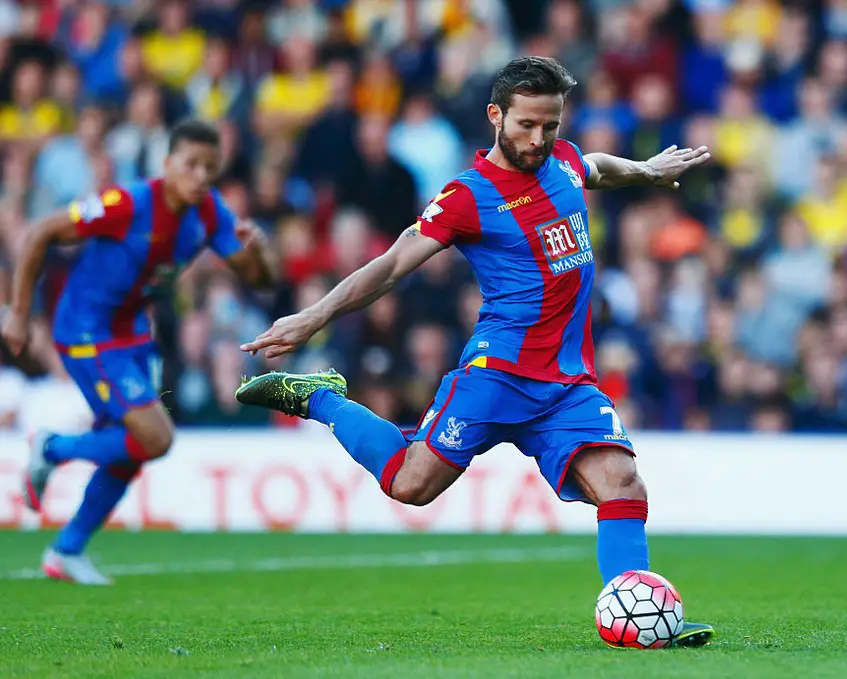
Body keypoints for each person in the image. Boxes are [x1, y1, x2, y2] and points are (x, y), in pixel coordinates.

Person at [236, 57, 714, 646]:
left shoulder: (562, 160)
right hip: (496, 377)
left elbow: (595, 167)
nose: (538, 139)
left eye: (550, 125)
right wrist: (313, 318)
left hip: (566, 383)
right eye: (526, 125)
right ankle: (320, 398)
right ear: (496, 116)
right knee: (410, 485)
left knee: (623, 483)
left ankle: (639, 621)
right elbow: (392, 265)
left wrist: (644, 169)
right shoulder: (468, 196)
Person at [0, 119, 277, 584]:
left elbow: (260, 279)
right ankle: (52, 447)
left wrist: (260, 252)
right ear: (167, 164)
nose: (201, 176)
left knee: (133, 448)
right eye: (191, 164)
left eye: (210, 167)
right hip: (87, 330)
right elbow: (40, 232)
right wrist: (19, 312)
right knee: (157, 437)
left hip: (133, 335)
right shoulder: (126, 203)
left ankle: (66, 550)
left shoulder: (209, 212)